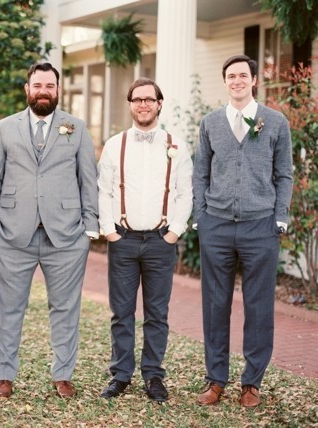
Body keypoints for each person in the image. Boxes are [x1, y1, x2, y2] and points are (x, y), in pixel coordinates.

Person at [0, 62, 98, 398]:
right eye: (37, 85)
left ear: (57, 90)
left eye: (49, 85)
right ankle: (5, 374)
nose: (43, 91)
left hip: (66, 235)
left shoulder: (76, 128)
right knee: (8, 307)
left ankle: (63, 375)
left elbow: (87, 179)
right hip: (12, 234)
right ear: (27, 89)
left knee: (65, 307)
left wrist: (89, 229)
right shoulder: (6, 127)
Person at [193, 54, 293, 407]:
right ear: (225, 82)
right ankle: (216, 379)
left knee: (259, 307)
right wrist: (201, 216)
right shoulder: (210, 123)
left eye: (242, 76)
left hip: (261, 226)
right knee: (215, 305)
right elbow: (200, 172)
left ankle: (252, 383)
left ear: (254, 80)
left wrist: (279, 218)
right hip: (217, 226)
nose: (236, 81)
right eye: (231, 76)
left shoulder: (275, 122)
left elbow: (284, 174)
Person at [97, 78, 193, 402]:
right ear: (130, 105)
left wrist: (174, 231)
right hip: (123, 239)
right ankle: (121, 375)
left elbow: (185, 193)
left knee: (157, 314)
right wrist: (109, 230)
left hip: (160, 241)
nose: (143, 105)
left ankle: (153, 375)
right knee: (121, 312)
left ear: (159, 104)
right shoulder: (115, 145)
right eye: (137, 99)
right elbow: (104, 190)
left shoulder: (176, 146)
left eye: (149, 99)